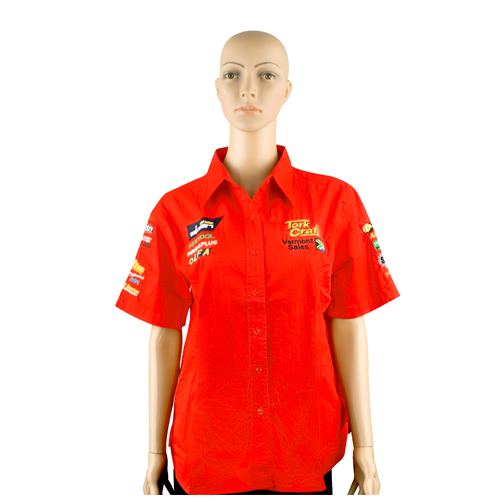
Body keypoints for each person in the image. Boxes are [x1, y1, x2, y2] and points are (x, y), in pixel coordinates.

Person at [115, 30, 399, 495]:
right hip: (207, 451)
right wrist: (153, 452)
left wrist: (365, 449)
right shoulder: (175, 211)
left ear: (287, 90)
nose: (248, 90)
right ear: (217, 89)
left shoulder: (335, 203)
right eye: (233, 75)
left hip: (304, 450)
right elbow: (164, 333)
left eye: (266, 76)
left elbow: (348, 324)